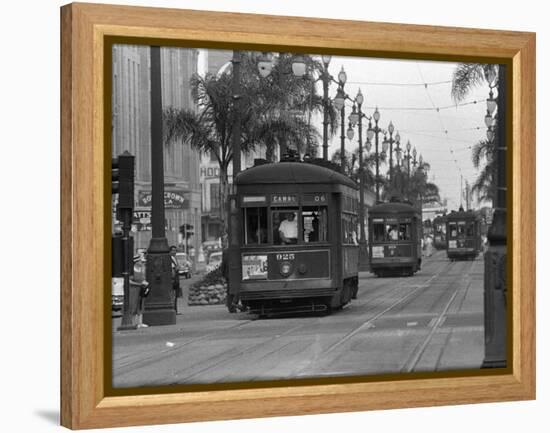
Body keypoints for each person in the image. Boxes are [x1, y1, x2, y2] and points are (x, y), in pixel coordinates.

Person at [169, 245, 182, 314]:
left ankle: (175, 310)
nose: (174, 252)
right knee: (173, 296)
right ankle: (173, 310)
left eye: (175, 250)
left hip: (176, 279)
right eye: (173, 250)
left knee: (176, 296)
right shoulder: (169, 258)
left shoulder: (175, 258)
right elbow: (173, 269)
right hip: (173, 280)